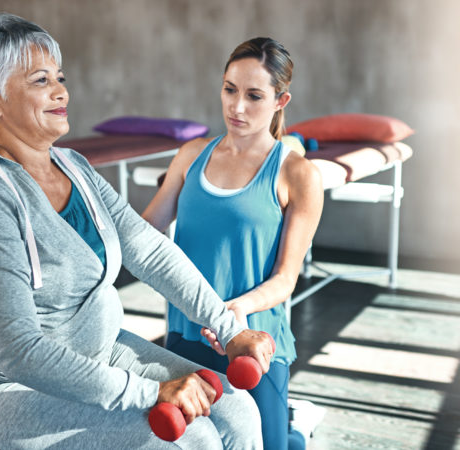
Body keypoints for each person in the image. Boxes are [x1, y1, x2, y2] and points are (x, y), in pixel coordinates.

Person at [0, 13, 273, 450]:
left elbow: (150, 251)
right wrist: (149, 393)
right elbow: (18, 351)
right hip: (12, 389)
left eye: (59, 77)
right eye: (41, 81)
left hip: (101, 349)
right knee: (194, 439)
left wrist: (228, 329)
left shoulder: (73, 166)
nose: (62, 92)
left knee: (237, 407)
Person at [142, 37, 324, 449]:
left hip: (253, 341)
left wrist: (233, 311)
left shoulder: (298, 174)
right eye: (230, 89)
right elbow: (145, 231)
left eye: (254, 96)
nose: (237, 107)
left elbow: (285, 279)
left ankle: (297, 429)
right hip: (185, 336)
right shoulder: (190, 156)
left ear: (281, 100)